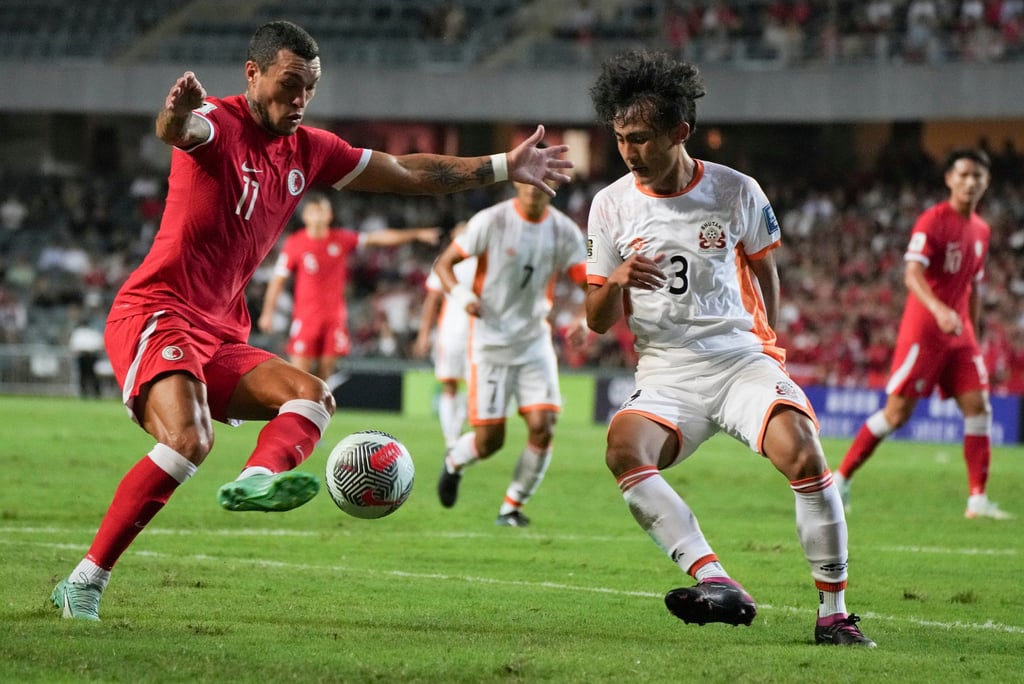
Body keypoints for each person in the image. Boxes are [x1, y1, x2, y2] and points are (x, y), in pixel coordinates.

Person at [49, 19, 572, 621]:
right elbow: (179, 130)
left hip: (221, 330)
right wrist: (175, 113)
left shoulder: (309, 149)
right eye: (290, 84)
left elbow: (405, 173)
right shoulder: (218, 122)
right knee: (189, 439)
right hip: (158, 311)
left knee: (313, 396)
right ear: (253, 74)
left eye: (310, 89)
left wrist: (504, 165)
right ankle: (85, 583)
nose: (300, 100)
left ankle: (257, 477)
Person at [584, 50, 875, 646]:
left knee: (804, 454)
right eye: (620, 139)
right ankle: (716, 580)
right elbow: (596, 321)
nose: (629, 152)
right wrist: (615, 282)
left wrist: (765, 348)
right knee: (623, 450)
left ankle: (834, 616)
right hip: (666, 372)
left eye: (640, 138)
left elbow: (767, 273)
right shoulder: (610, 204)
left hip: (739, 361)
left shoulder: (736, 190)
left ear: (679, 131)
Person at [835, 149, 1011, 521]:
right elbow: (911, 274)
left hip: (960, 337)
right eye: (963, 175)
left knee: (979, 408)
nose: (970, 182)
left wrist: (973, 334)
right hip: (925, 332)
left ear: (987, 182)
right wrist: (940, 310)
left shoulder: (981, 230)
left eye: (977, 176)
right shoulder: (932, 220)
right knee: (897, 415)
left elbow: (973, 287)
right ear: (949, 179)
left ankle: (977, 500)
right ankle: (841, 478)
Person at [433, 176, 588, 527]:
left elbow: (590, 284)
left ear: (554, 186)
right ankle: (454, 461)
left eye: (544, 179)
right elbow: (444, 264)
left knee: (544, 425)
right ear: (517, 182)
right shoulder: (491, 221)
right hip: (489, 342)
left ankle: (511, 507)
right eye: (528, 177)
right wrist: (464, 297)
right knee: (490, 442)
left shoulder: (564, 231)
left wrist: (583, 320)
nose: (535, 185)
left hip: (534, 341)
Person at [257, 191, 440, 382]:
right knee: (299, 375)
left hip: (334, 319)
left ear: (330, 215)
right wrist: (268, 312)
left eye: (323, 211)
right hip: (306, 318)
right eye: (314, 211)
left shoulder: (341, 239)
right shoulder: (295, 243)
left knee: (324, 377)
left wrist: (416, 234)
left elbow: (377, 238)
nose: (318, 215)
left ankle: (316, 401)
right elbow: (278, 280)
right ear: (305, 216)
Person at [413, 222, 475, 449]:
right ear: (453, 236)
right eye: (460, 231)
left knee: (476, 387)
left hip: (480, 335)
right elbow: (432, 301)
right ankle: (451, 438)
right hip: (450, 333)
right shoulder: (444, 262)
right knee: (450, 384)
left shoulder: (484, 260)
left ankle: (457, 426)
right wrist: (423, 335)